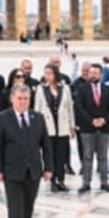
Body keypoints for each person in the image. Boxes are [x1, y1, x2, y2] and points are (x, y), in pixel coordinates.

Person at [0, 84, 53, 218]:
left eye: (26, 99)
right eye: (19, 98)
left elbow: (46, 145)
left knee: (28, 206)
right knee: (15, 207)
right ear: (12, 98)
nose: (23, 102)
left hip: (33, 169)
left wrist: (48, 167)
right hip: (12, 170)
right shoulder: (2, 118)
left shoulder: (38, 118)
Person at [74, 63, 109, 192]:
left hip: (104, 128)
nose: (92, 76)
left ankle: (104, 181)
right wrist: (91, 120)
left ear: (101, 75)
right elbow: (79, 107)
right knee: (87, 156)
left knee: (103, 156)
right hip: (87, 128)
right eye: (91, 73)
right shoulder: (82, 89)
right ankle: (86, 182)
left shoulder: (108, 89)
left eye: (95, 73)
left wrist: (105, 120)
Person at [35, 64, 76, 193]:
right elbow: (38, 108)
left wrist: (72, 126)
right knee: (50, 154)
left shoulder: (65, 88)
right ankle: (52, 180)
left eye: (50, 73)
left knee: (61, 154)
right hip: (48, 126)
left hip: (62, 125)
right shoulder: (41, 89)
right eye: (45, 73)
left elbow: (70, 108)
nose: (47, 76)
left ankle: (61, 180)